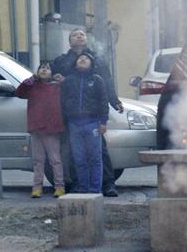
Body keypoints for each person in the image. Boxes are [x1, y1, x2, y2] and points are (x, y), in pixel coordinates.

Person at [52, 28, 123, 197]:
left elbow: (107, 83)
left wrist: (114, 101)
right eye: (75, 34)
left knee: (100, 152)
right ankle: (78, 184)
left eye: (82, 34)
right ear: (69, 41)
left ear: (86, 39)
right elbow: (50, 78)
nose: (79, 36)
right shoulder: (61, 61)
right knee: (74, 152)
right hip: (71, 115)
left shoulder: (97, 59)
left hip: (93, 116)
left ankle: (107, 184)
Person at [15, 61, 65, 198]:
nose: (44, 70)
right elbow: (19, 92)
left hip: (52, 128)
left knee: (55, 159)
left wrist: (63, 80)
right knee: (38, 160)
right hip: (36, 127)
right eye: (41, 68)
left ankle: (59, 186)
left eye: (48, 68)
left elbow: (68, 91)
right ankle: (37, 187)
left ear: (52, 73)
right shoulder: (32, 86)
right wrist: (29, 80)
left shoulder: (57, 87)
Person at [61, 53, 109, 193]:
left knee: (95, 158)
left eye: (87, 58)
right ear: (75, 63)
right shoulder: (68, 80)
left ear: (92, 63)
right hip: (74, 124)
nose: (83, 59)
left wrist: (103, 122)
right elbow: (62, 102)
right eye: (80, 58)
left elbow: (103, 101)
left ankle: (95, 189)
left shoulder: (97, 80)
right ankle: (82, 187)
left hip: (93, 123)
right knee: (79, 158)